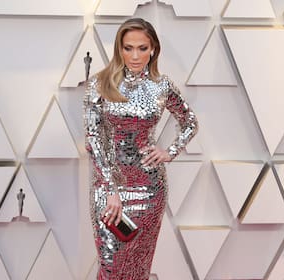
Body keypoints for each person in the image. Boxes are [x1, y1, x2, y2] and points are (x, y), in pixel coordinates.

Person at [83, 18, 198, 279]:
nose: (135, 56)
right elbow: (93, 141)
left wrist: (170, 151)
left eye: (142, 48)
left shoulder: (162, 85)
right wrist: (111, 188)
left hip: (149, 187)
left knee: (138, 266)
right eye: (128, 48)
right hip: (108, 188)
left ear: (153, 49)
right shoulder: (99, 84)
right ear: (119, 49)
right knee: (111, 266)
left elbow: (189, 122)